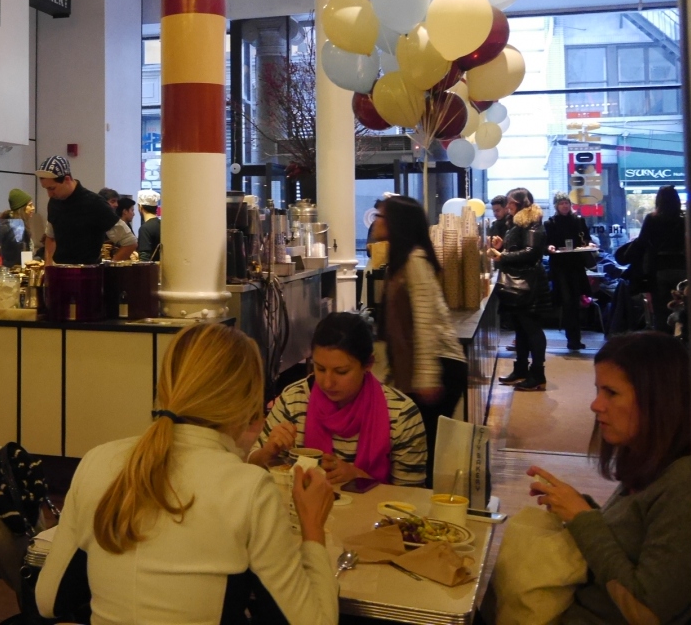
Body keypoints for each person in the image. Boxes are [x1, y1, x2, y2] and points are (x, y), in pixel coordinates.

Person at [36, 323, 338, 625]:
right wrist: (312, 528)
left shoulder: (98, 462)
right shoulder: (249, 489)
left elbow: (49, 601)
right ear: (247, 406)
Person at [524, 332, 691, 625]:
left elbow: (645, 612)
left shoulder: (684, 483)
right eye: (598, 390)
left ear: (658, 400)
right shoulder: (650, 466)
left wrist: (582, 518)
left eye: (611, 393)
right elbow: (625, 542)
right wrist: (577, 508)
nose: (596, 405)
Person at [249, 311, 428, 487]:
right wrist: (269, 451)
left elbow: (411, 496)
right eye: (320, 369)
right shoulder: (293, 401)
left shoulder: (401, 414)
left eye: (341, 372)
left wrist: (358, 477)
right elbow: (251, 467)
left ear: (368, 364)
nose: (327, 383)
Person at [379, 196, 467, 483]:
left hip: (440, 365)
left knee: (423, 450)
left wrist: (427, 377)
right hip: (426, 367)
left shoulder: (415, 261)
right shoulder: (402, 260)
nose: (377, 222)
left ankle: (427, 504)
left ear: (396, 223)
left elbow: (425, 322)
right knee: (417, 447)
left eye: (382, 217)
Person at [491, 187, 549, 392]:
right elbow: (521, 249)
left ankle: (538, 374)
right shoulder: (516, 222)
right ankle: (522, 369)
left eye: (511, 202)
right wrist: (502, 246)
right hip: (519, 283)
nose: (508, 206)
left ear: (520, 203)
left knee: (531, 328)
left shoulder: (532, 222)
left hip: (529, 284)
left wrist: (503, 256)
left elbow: (532, 252)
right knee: (521, 328)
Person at [36, 156, 136, 265]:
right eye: (46, 189)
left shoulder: (95, 203)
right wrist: (48, 265)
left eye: (52, 188)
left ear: (67, 179)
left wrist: (110, 269)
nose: (49, 194)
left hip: (88, 272)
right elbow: (50, 236)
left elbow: (130, 242)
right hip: (60, 271)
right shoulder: (54, 202)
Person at [545, 192, 594, 351]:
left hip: (576, 265)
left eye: (566, 203)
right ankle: (572, 339)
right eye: (561, 203)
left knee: (576, 301)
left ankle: (575, 338)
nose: (565, 206)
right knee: (567, 302)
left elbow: (586, 239)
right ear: (556, 206)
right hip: (560, 267)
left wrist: (589, 244)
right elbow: (546, 244)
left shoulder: (578, 220)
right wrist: (549, 247)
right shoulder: (550, 223)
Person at [636, 186, 687, 333]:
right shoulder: (684, 219)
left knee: (660, 309)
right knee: (682, 307)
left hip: (659, 267)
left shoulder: (652, 219)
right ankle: (681, 337)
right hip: (681, 265)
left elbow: (642, 242)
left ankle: (663, 340)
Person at [0, 188, 35, 267]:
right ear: (22, 208)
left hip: (7, 269)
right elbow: (19, 257)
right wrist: (38, 258)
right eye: (30, 205)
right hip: (16, 270)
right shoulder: (17, 228)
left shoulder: (9, 226)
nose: (33, 208)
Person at [136, 189, 161, 262]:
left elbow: (144, 258)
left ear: (140, 207)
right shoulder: (162, 225)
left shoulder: (145, 229)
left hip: (152, 268)